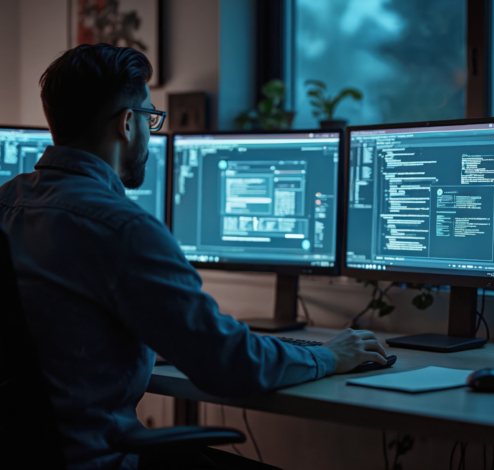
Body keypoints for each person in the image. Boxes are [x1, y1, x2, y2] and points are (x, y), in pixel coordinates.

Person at [0, 44, 388, 470]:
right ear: (128, 124)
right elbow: (230, 365)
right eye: (150, 117)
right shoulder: (123, 229)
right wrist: (330, 355)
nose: (152, 131)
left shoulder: (7, 202)